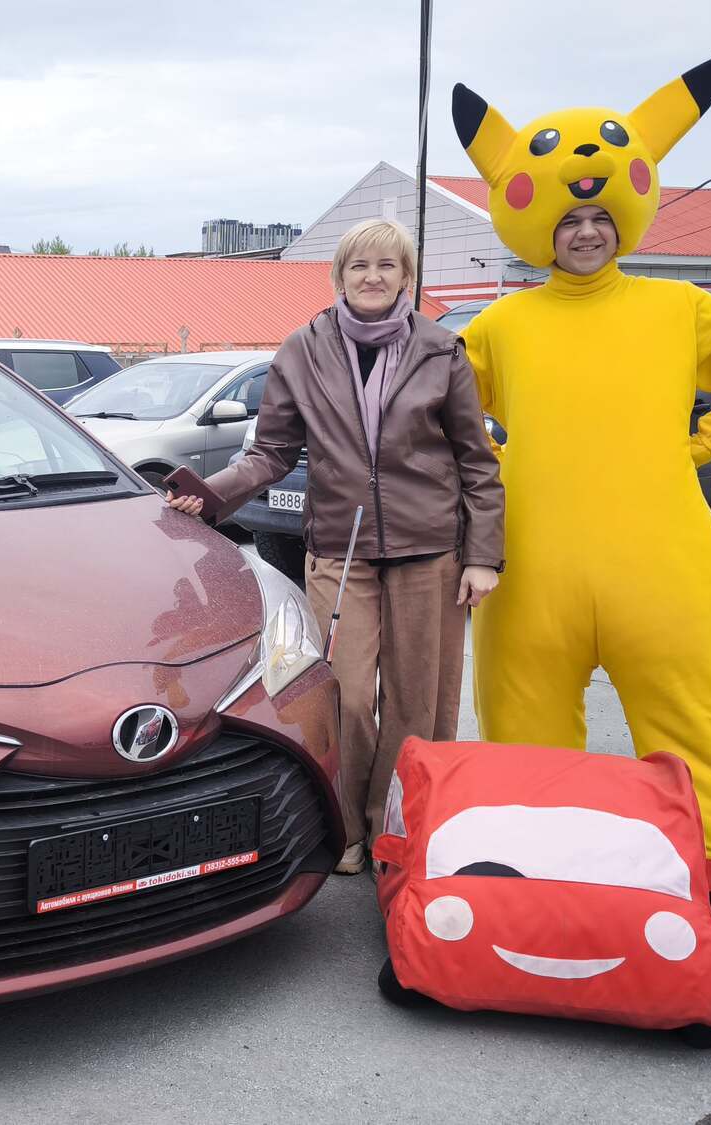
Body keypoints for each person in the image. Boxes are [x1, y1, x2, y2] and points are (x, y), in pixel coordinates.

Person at [451, 53, 711, 922]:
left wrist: (707, 441)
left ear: (626, 220)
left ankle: (710, 858)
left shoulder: (676, 308)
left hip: (663, 560)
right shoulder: (503, 322)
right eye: (570, 220)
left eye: (600, 218)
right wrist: (484, 465)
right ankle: (537, 850)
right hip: (533, 563)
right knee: (523, 717)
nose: (586, 232)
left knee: (695, 709)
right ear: (542, 228)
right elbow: (438, 400)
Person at [167, 218, 504, 876]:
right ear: (339, 276)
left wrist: (482, 556)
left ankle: (398, 828)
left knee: (417, 701)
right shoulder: (303, 350)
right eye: (359, 266)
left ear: (406, 277)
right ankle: (345, 828)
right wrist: (208, 498)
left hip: (429, 548)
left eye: (387, 265)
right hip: (339, 550)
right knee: (341, 695)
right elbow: (269, 453)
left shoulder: (441, 351)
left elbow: (477, 461)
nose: (373, 277)